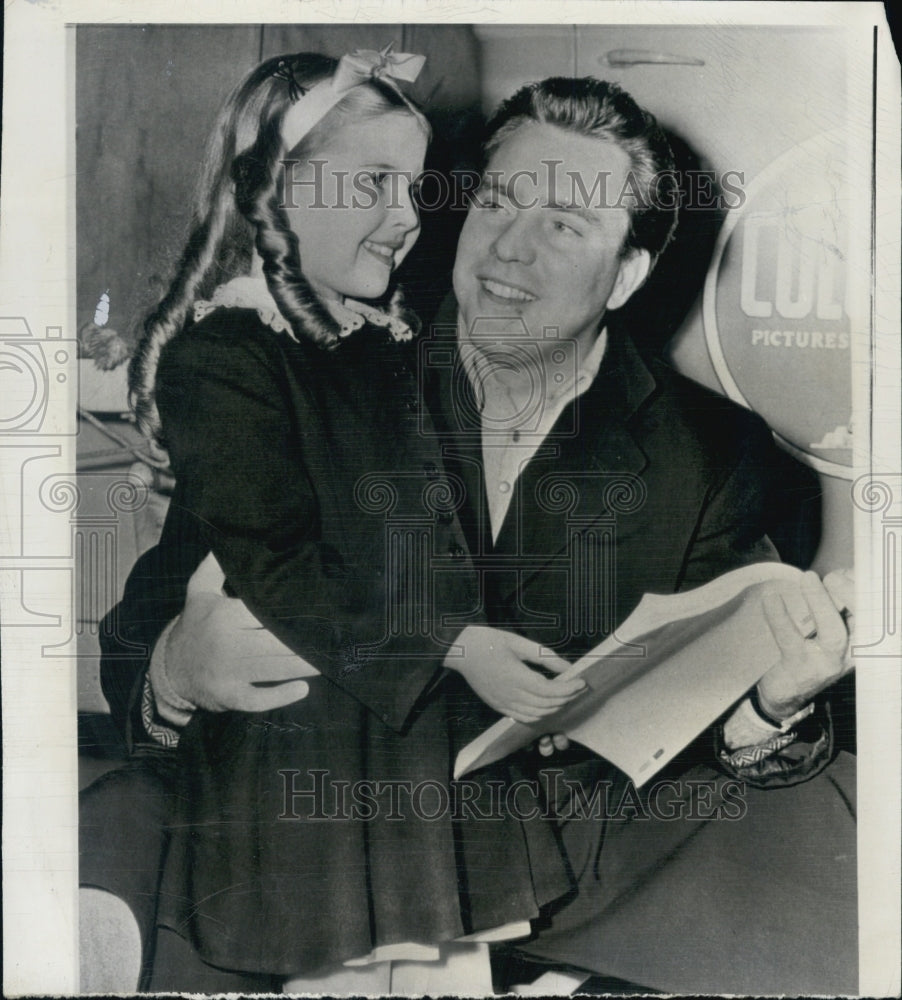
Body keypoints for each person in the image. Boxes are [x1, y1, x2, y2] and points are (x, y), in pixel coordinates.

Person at [94, 75, 856, 994]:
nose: (508, 249)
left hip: (578, 876)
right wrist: (176, 674)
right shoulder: (310, 373)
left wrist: (772, 708)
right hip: (321, 862)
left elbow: (705, 740)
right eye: (497, 201)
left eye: (566, 227)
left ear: (627, 275)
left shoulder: (723, 460)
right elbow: (141, 632)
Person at [81, 49, 589, 994]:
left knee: (442, 973)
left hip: (418, 764)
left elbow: (439, 551)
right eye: (375, 183)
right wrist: (453, 647)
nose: (407, 217)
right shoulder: (227, 354)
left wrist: (511, 658)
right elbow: (277, 565)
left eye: (417, 188)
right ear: (278, 191)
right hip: (306, 785)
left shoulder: (386, 345)